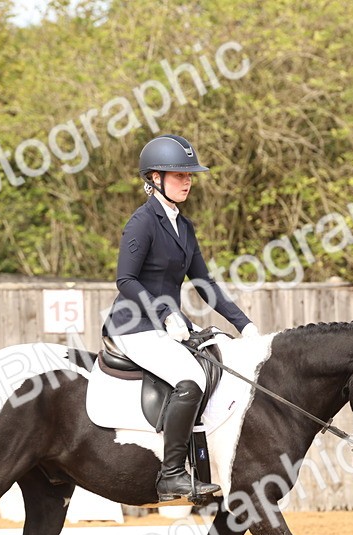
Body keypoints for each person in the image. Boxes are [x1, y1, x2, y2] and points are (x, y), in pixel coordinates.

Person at [101, 133, 260, 504]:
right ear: (155, 179)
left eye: (189, 175)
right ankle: (171, 475)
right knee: (189, 381)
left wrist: (245, 324)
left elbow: (204, 283)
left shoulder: (183, 227)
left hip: (167, 324)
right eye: (178, 175)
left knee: (216, 368)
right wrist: (164, 312)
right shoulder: (142, 222)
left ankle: (205, 465)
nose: (187, 181)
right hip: (134, 325)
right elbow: (125, 279)